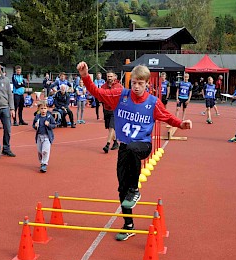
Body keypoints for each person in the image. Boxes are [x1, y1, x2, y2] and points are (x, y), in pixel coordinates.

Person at [77, 61, 192, 241]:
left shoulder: (153, 103)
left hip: (142, 145)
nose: (136, 87)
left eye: (140, 83)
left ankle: (135, 189)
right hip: (124, 147)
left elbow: (167, 116)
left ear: (147, 84)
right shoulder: (120, 95)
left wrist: (180, 124)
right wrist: (85, 76)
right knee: (121, 188)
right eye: (134, 83)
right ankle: (128, 224)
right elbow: (98, 93)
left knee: (132, 155)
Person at [101, 70, 123, 153]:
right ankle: (115, 142)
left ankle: (107, 144)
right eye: (108, 76)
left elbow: (123, 97)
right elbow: (100, 96)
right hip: (106, 109)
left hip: (115, 110)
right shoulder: (103, 86)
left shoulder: (119, 86)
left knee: (111, 127)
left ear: (114, 77)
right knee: (109, 128)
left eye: (111, 76)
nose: (109, 78)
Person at [32, 100, 56, 173]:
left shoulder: (49, 117)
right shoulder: (37, 117)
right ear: (39, 109)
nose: (43, 110)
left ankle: (44, 164)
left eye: (45, 108)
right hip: (39, 136)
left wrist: (48, 125)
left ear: (47, 109)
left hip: (47, 137)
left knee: (45, 151)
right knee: (39, 151)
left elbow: (54, 125)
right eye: (42, 108)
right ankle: (41, 162)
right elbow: (34, 125)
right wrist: (35, 126)